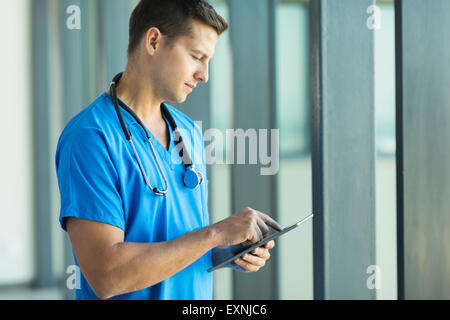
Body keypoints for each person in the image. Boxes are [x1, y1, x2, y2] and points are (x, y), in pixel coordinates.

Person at [55, 0, 282, 300]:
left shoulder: (188, 133)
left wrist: (228, 249)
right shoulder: (91, 138)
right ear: (153, 41)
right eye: (196, 57)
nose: (204, 75)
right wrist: (214, 234)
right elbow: (107, 275)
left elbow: (179, 240)